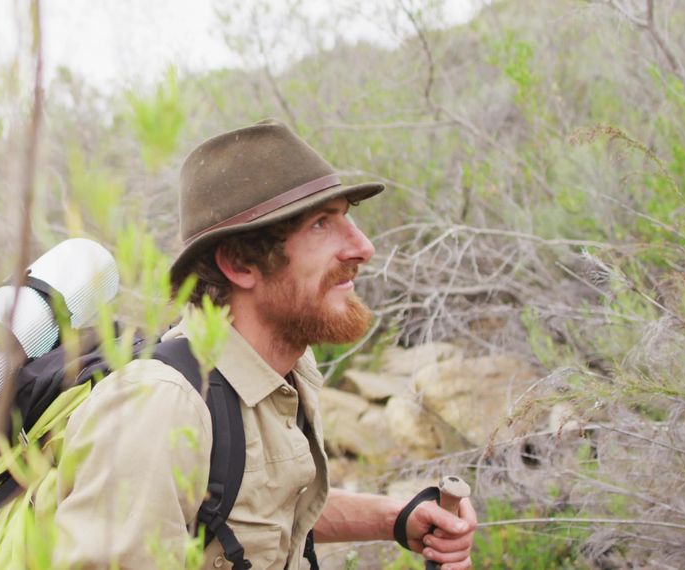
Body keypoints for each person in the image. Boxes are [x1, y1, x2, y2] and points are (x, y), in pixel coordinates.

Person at [51, 119, 477, 569]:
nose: (363, 246)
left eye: (345, 217)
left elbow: (258, 507)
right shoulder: (160, 408)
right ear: (239, 262)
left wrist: (396, 517)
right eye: (320, 225)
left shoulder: (286, 368)